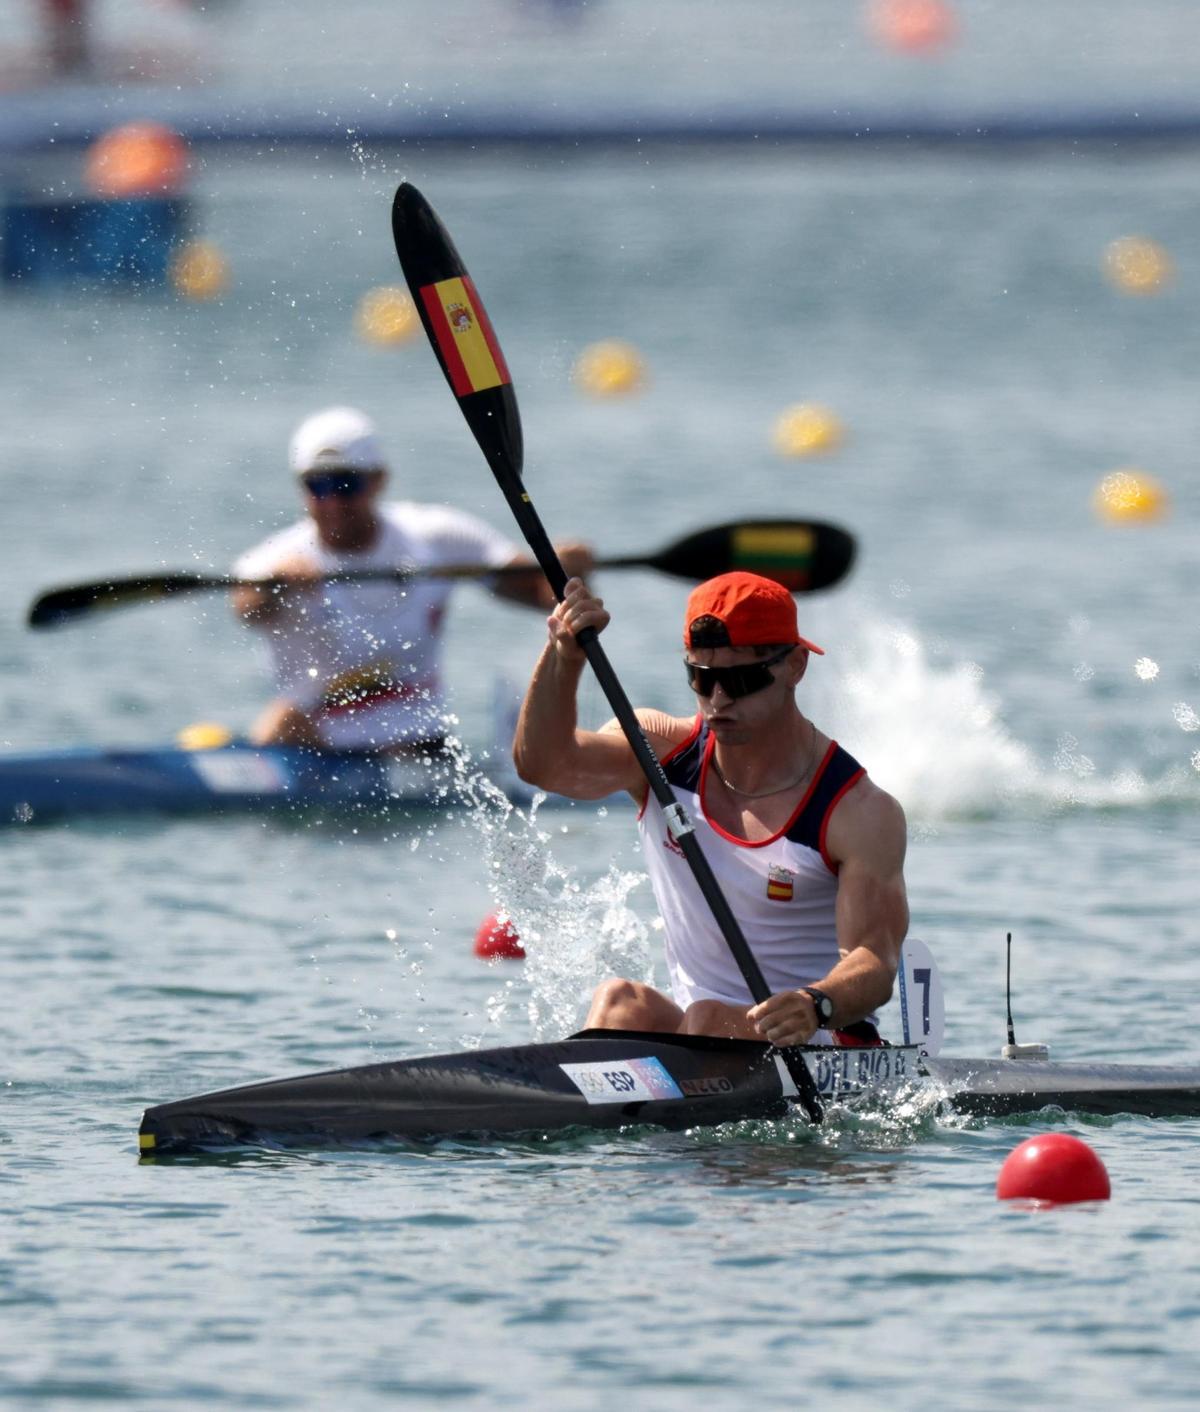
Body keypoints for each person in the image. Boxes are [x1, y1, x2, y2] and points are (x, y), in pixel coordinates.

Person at [513, 570, 909, 1048]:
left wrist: (813, 1002)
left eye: (742, 679)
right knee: (620, 1001)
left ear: (796, 666)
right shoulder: (661, 753)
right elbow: (543, 767)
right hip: (703, 1032)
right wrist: (564, 658)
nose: (718, 699)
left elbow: (875, 961)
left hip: (817, 1040)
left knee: (706, 1019)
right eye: (701, 678)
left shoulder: (856, 811)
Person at [232, 406, 589, 751]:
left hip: (417, 744)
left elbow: (542, 593)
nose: (332, 502)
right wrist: (273, 584)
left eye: (345, 484)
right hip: (309, 742)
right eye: (317, 486)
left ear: (379, 480)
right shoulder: (271, 560)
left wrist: (565, 574)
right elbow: (246, 607)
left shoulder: (436, 537)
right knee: (279, 722)